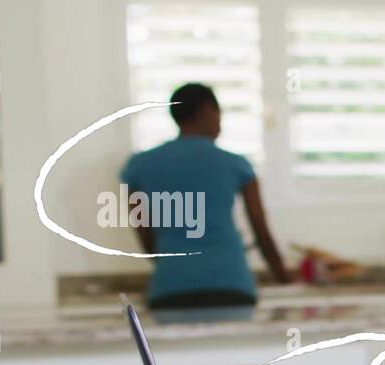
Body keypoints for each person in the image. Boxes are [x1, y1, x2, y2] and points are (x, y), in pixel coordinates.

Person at [121, 82, 290, 308]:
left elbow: (143, 230)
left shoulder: (139, 166)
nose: (220, 120)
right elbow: (261, 229)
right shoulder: (236, 164)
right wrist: (284, 277)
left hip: (170, 289)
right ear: (206, 110)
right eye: (218, 112)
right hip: (231, 286)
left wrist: (172, 265)